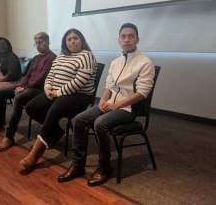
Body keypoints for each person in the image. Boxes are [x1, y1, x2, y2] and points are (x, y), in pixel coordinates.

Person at [57, 23, 155, 186]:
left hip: (128, 108)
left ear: (137, 39)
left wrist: (117, 105)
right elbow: (109, 85)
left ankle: (104, 167)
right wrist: (102, 100)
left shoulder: (145, 62)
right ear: (119, 40)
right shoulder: (116, 62)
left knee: (100, 123)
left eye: (131, 36)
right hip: (110, 104)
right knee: (78, 120)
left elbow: (142, 93)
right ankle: (78, 165)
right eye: (123, 36)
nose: (127, 39)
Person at [19, 28, 97, 173]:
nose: (72, 41)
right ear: (65, 43)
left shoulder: (86, 56)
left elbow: (78, 82)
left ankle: (35, 155)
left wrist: (58, 93)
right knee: (31, 107)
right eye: (69, 39)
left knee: (55, 109)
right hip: (56, 92)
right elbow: (51, 74)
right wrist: (48, 88)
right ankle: (54, 132)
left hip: (79, 96)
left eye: (76, 38)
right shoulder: (61, 56)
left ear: (82, 40)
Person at [0, 32, 56, 152]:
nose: (38, 45)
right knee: (0, 93)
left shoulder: (52, 58)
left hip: (40, 89)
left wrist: (24, 88)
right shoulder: (36, 58)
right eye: (36, 43)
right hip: (27, 87)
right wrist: (21, 85)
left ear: (48, 42)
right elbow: (26, 75)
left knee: (18, 99)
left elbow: (41, 78)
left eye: (41, 42)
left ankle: (9, 137)